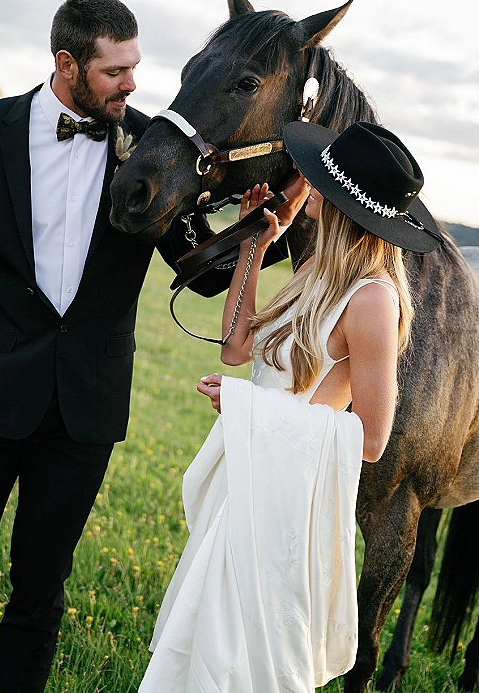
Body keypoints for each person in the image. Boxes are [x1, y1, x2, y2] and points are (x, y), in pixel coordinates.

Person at [0, 0, 283, 693]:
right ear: (68, 64)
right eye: (115, 72)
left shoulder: (151, 150)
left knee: (41, 591)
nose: (132, 84)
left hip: (85, 410)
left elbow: (198, 275)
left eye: (136, 67)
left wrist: (259, 234)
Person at [138, 120, 442, 693]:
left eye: (318, 178)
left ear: (338, 199)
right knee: (207, 635)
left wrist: (253, 411)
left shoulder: (373, 299)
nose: (304, 184)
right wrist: (255, 242)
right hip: (249, 473)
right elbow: (236, 346)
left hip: (285, 497)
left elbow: (372, 438)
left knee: (244, 652)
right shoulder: (316, 272)